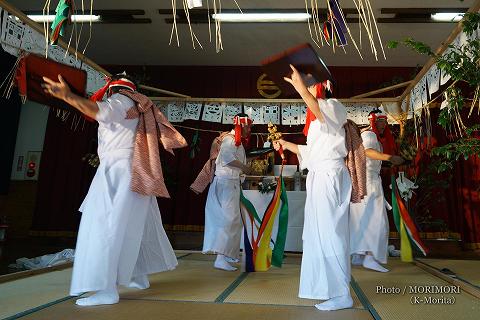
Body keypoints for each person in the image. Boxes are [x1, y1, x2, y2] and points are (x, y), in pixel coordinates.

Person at [42, 72, 187, 306]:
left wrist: (68, 96)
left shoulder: (121, 99)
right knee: (134, 225)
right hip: (137, 169)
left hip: (120, 170)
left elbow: (102, 111)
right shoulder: (139, 104)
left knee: (104, 226)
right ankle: (138, 277)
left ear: (112, 88)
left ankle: (106, 289)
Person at [273, 65, 354, 311]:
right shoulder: (320, 120)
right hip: (320, 176)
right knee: (318, 236)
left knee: (331, 235)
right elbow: (312, 152)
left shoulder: (334, 107)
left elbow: (317, 109)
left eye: (310, 85)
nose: (307, 89)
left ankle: (342, 293)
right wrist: (287, 144)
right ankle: (330, 289)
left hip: (329, 177)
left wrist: (300, 88)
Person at [191, 114, 253, 271]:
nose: (250, 129)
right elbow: (226, 158)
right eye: (248, 126)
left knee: (232, 220)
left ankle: (227, 254)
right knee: (228, 220)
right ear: (242, 125)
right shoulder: (230, 140)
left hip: (228, 183)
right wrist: (245, 168)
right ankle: (220, 258)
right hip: (226, 184)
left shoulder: (232, 140)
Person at [350, 111, 404, 272]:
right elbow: (367, 152)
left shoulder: (369, 134)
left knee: (363, 218)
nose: (384, 123)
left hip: (366, 180)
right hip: (369, 181)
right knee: (376, 220)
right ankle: (370, 257)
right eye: (380, 120)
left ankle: (359, 255)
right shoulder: (369, 135)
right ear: (373, 121)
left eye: (385, 121)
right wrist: (389, 158)